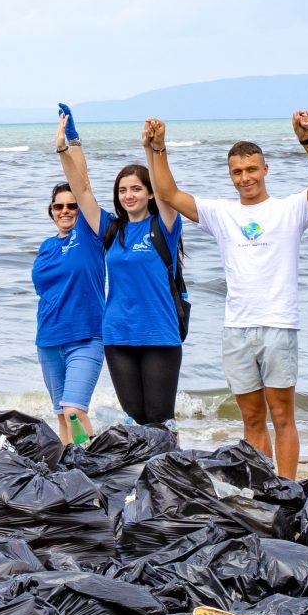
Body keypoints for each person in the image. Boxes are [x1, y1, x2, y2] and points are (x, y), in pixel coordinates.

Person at [144, 111, 308, 479]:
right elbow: (166, 193)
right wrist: (159, 148)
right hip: (237, 329)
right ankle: (263, 485)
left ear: (265, 169)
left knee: (282, 415)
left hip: (278, 325)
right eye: (237, 172)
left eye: (252, 169)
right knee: (251, 418)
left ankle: (288, 487)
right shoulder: (222, 213)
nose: (245, 178)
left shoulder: (288, 209)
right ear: (230, 175)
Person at [97, 143, 187, 429]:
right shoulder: (112, 229)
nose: (128, 195)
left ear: (149, 193)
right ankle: (145, 473)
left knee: (160, 422)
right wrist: (69, 147)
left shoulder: (165, 226)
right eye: (123, 190)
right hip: (117, 336)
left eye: (136, 188)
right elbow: (83, 191)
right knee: (136, 422)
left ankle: (168, 471)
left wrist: (153, 149)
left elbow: (166, 191)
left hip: (159, 334)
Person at [35, 106, 108, 443]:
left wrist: (72, 142)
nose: (65, 211)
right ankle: (71, 476)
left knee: (75, 411)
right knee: (61, 416)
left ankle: (95, 466)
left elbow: (84, 187)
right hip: (49, 340)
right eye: (58, 206)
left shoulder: (89, 235)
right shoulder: (47, 246)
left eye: (71, 205)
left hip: (86, 337)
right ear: (51, 211)